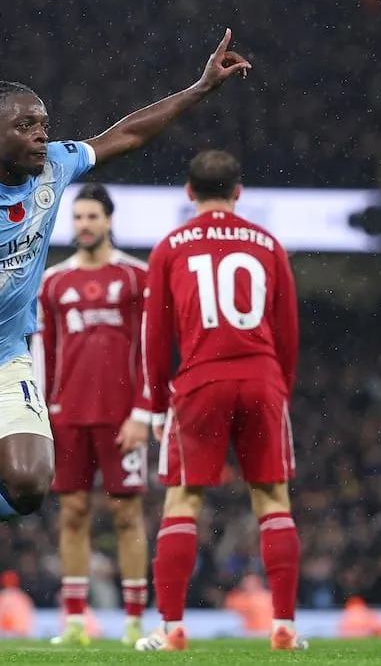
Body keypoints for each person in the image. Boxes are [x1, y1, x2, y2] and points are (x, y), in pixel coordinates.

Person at [0, 30, 251, 660]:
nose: (43, 134)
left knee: (30, 485)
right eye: (28, 125)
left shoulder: (54, 169)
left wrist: (201, 87)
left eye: (45, 123)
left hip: (4, 362)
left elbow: (126, 135)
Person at [131, 150, 304, 652]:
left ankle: (172, 628)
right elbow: (287, 331)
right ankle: (285, 628)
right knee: (273, 501)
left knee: (183, 501)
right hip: (261, 375)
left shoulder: (169, 247)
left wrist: (157, 406)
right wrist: (279, 390)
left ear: (189, 193)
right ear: (239, 192)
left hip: (200, 381)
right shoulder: (268, 243)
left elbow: (155, 337)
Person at [33, 184, 149, 647]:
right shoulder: (54, 282)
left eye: (91, 217)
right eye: (77, 217)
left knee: (126, 514)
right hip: (68, 416)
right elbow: (43, 350)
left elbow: (151, 352)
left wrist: (145, 410)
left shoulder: (138, 277)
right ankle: (75, 621)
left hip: (123, 417)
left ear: (109, 221)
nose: (83, 225)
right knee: (73, 513)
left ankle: (136, 621)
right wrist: (40, 410)